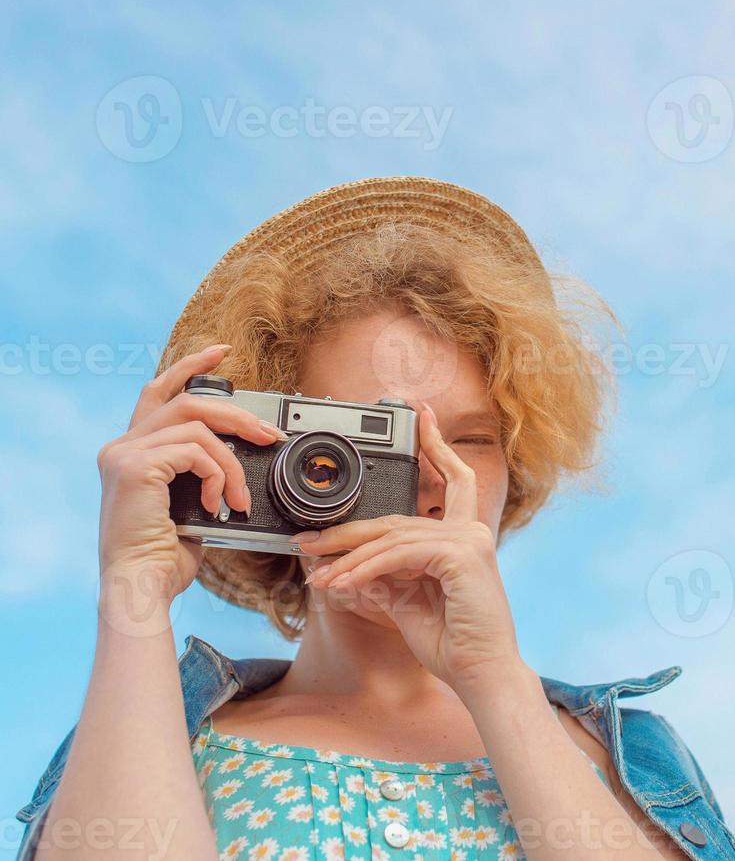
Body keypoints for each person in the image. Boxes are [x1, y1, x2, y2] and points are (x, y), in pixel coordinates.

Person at [15, 178, 733, 860]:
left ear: (516, 467)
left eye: (470, 440)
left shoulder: (623, 757)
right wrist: (132, 591)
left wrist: (493, 677)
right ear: (255, 449)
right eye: (362, 442)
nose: (427, 478)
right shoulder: (147, 737)